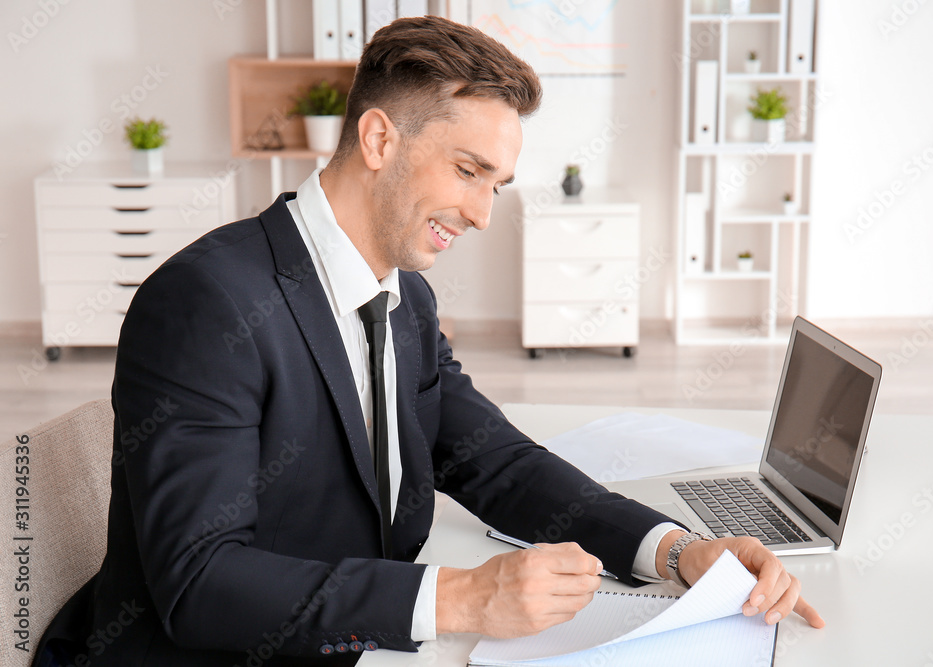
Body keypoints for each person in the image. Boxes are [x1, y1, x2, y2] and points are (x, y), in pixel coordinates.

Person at [34, 15, 822, 667]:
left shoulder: (404, 297)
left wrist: (678, 551)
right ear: (379, 140)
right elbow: (199, 582)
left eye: (497, 185)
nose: (482, 213)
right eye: (469, 170)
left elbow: (497, 462)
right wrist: (462, 598)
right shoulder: (210, 302)